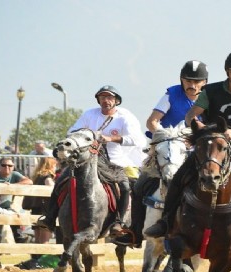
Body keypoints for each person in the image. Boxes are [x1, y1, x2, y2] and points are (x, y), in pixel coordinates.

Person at [145, 50, 231, 257]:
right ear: (227, 71)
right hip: (210, 144)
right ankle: (165, 222)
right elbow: (192, 114)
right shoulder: (210, 91)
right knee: (179, 177)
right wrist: (201, 127)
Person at [113, 60, 208, 248]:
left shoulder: (210, 97)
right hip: (166, 149)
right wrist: (167, 136)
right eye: (188, 80)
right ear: (182, 80)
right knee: (140, 185)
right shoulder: (171, 94)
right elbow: (152, 122)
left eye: (197, 81)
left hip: (194, 153)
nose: (192, 85)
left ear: (204, 82)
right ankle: (135, 232)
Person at [34, 85, 147, 235]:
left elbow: (137, 139)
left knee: (125, 187)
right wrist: (88, 135)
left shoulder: (125, 117)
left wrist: (110, 138)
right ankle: (50, 218)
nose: (106, 100)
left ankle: (118, 223)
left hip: (114, 161)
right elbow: (72, 131)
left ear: (116, 101)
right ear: (98, 100)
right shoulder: (89, 114)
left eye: (109, 97)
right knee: (61, 180)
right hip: (87, 158)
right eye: (102, 97)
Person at [18, 157, 58, 269]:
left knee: (38, 238)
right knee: (45, 239)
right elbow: (51, 187)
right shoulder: (47, 177)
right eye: (54, 165)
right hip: (45, 210)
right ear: (50, 166)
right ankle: (41, 263)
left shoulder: (36, 177)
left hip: (35, 210)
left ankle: (35, 260)